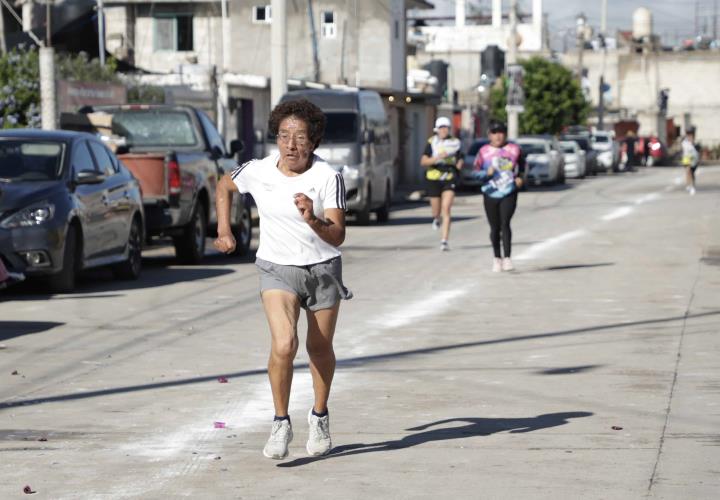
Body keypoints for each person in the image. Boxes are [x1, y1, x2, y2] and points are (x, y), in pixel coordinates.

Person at [214, 99, 352, 460]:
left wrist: (312, 218)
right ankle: (280, 422)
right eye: (284, 135)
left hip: (322, 269)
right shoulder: (258, 170)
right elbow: (223, 186)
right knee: (285, 344)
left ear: (314, 141)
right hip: (276, 267)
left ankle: (319, 416)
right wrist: (224, 229)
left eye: (300, 137)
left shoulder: (327, 177)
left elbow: (337, 235)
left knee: (318, 349)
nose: (291, 145)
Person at [472, 120, 525, 272]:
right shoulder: (483, 151)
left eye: (501, 132)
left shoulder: (514, 149)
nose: (498, 136)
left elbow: (523, 165)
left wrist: (520, 177)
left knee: (505, 223)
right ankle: (497, 258)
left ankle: (507, 258)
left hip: (509, 190)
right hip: (490, 192)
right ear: (489, 135)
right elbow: (475, 172)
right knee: (494, 228)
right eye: (494, 133)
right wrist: (485, 173)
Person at [420, 116, 464, 251]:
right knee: (436, 209)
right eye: (442, 127)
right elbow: (423, 162)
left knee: (447, 208)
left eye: (446, 127)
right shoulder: (431, 142)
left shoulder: (455, 142)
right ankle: (436, 218)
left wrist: (459, 165)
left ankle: (444, 241)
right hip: (433, 177)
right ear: (437, 129)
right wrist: (437, 158)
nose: (444, 130)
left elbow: (460, 158)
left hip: (449, 177)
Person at [681, 125, 700, 195]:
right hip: (686, 158)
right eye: (688, 134)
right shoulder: (684, 142)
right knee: (688, 171)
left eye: (690, 134)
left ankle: (691, 184)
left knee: (692, 173)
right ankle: (690, 186)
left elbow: (697, 151)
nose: (689, 136)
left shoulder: (695, 142)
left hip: (694, 159)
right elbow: (684, 149)